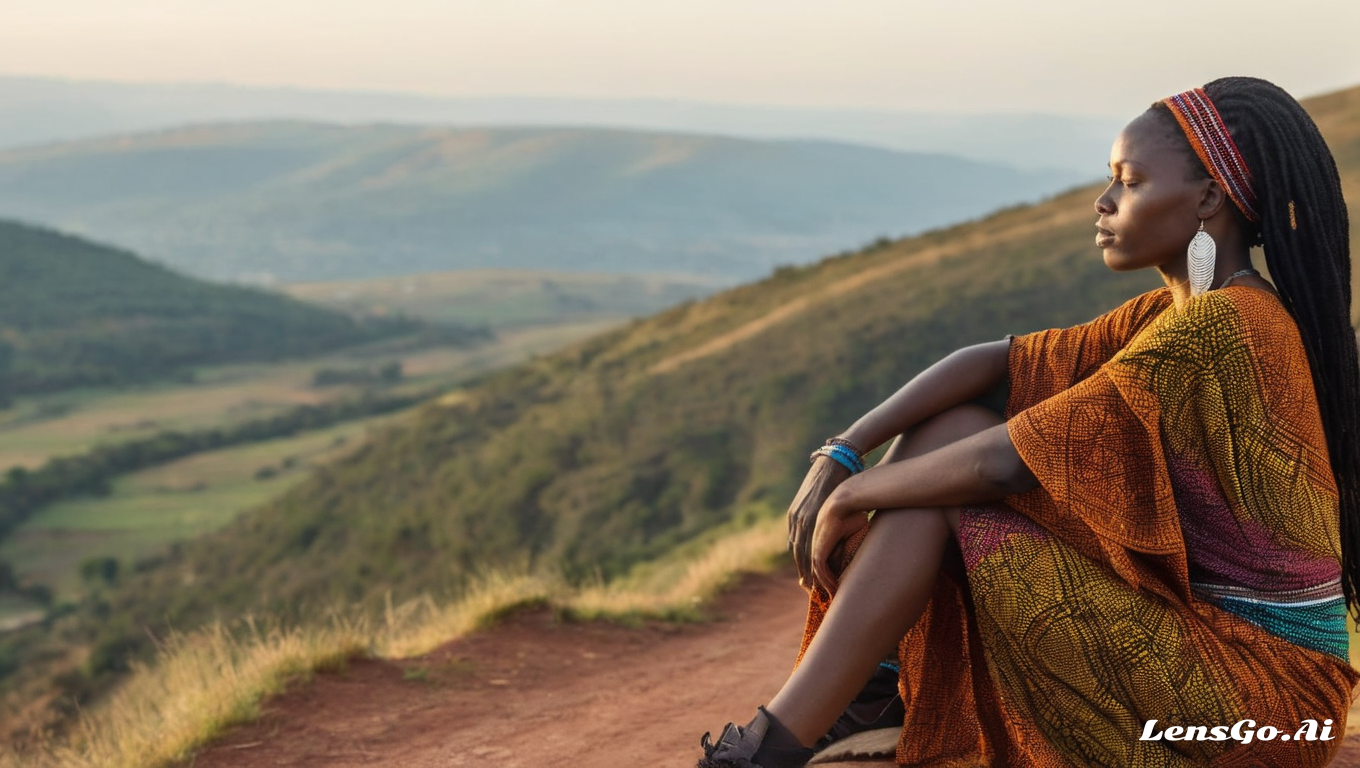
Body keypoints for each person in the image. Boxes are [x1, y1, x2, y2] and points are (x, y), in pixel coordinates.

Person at [697, 76, 1360, 768]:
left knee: (946, 484)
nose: (1103, 203)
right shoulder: (1175, 313)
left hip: (1262, 706)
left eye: (1129, 183)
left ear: (1209, 198)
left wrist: (854, 493)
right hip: (1218, 662)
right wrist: (844, 450)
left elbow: (1005, 463)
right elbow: (991, 364)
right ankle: (862, 695)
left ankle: (776, 745)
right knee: (949, 431)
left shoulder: (1226, 325)